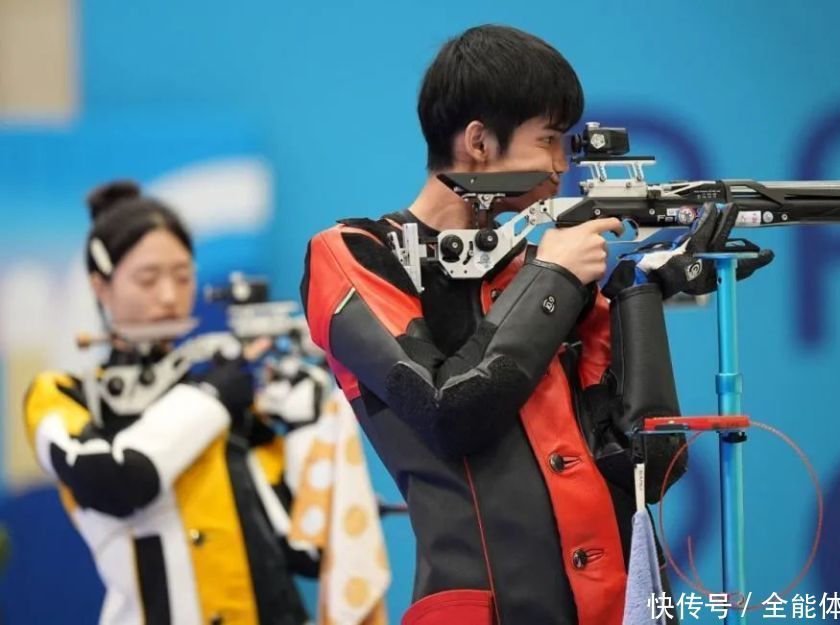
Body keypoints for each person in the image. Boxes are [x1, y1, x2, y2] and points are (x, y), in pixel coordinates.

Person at [301, 25, 772, 625]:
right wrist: (554, 277)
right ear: (478, 141)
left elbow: (649, 469)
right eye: (548, 140)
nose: (560, 166)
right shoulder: (354, 253)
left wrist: (638, 294)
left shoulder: (547, 267)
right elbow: (447, 411)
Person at [23, 181, 325, 625]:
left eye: (183, 277)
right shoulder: (64, 395)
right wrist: (211, 399)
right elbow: (117, 481)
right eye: (148, 279)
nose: (168, 295)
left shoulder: (226, 390)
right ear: (100, 286)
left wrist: (307, 427)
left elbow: (311, 551)